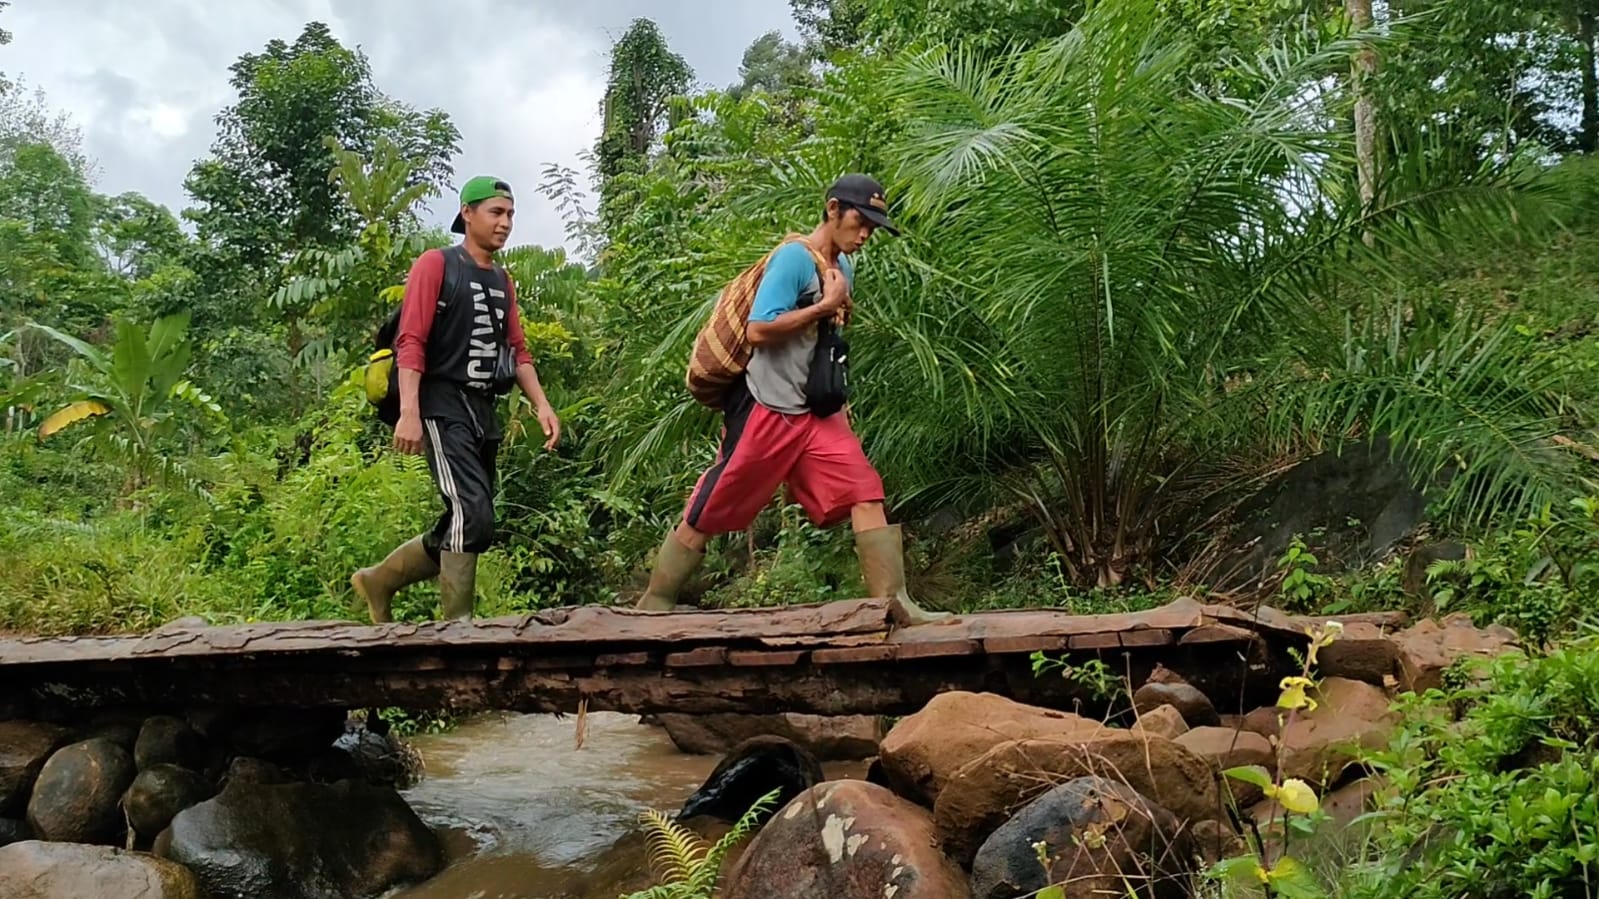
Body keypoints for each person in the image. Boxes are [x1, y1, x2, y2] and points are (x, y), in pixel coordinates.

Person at [636, 174, 952, 626]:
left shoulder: (844, 268)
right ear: (832, 210)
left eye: (872, 227)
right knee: (716, 501)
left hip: (815, 411)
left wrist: (839, 405)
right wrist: (823, 306)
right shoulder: (793, 260)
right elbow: (758, 330)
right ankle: (657, 598)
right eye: (860, 221)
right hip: (766, 403)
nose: (864, 234)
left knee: (864, 489)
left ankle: (894, 602)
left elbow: (828, 342)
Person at [351, 176, 561, 623]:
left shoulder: (503, 280)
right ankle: (456, 629)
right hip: (440, 401)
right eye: (496, 213)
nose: (505, 223)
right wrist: (409, 412)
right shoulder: (437, 264)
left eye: (510, 215)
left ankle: (380, 580)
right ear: (467, 213)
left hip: (482, 407)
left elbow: (517, 350)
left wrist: (542, 404)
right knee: (471, 510)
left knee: (472, 522)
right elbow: (411, 341)